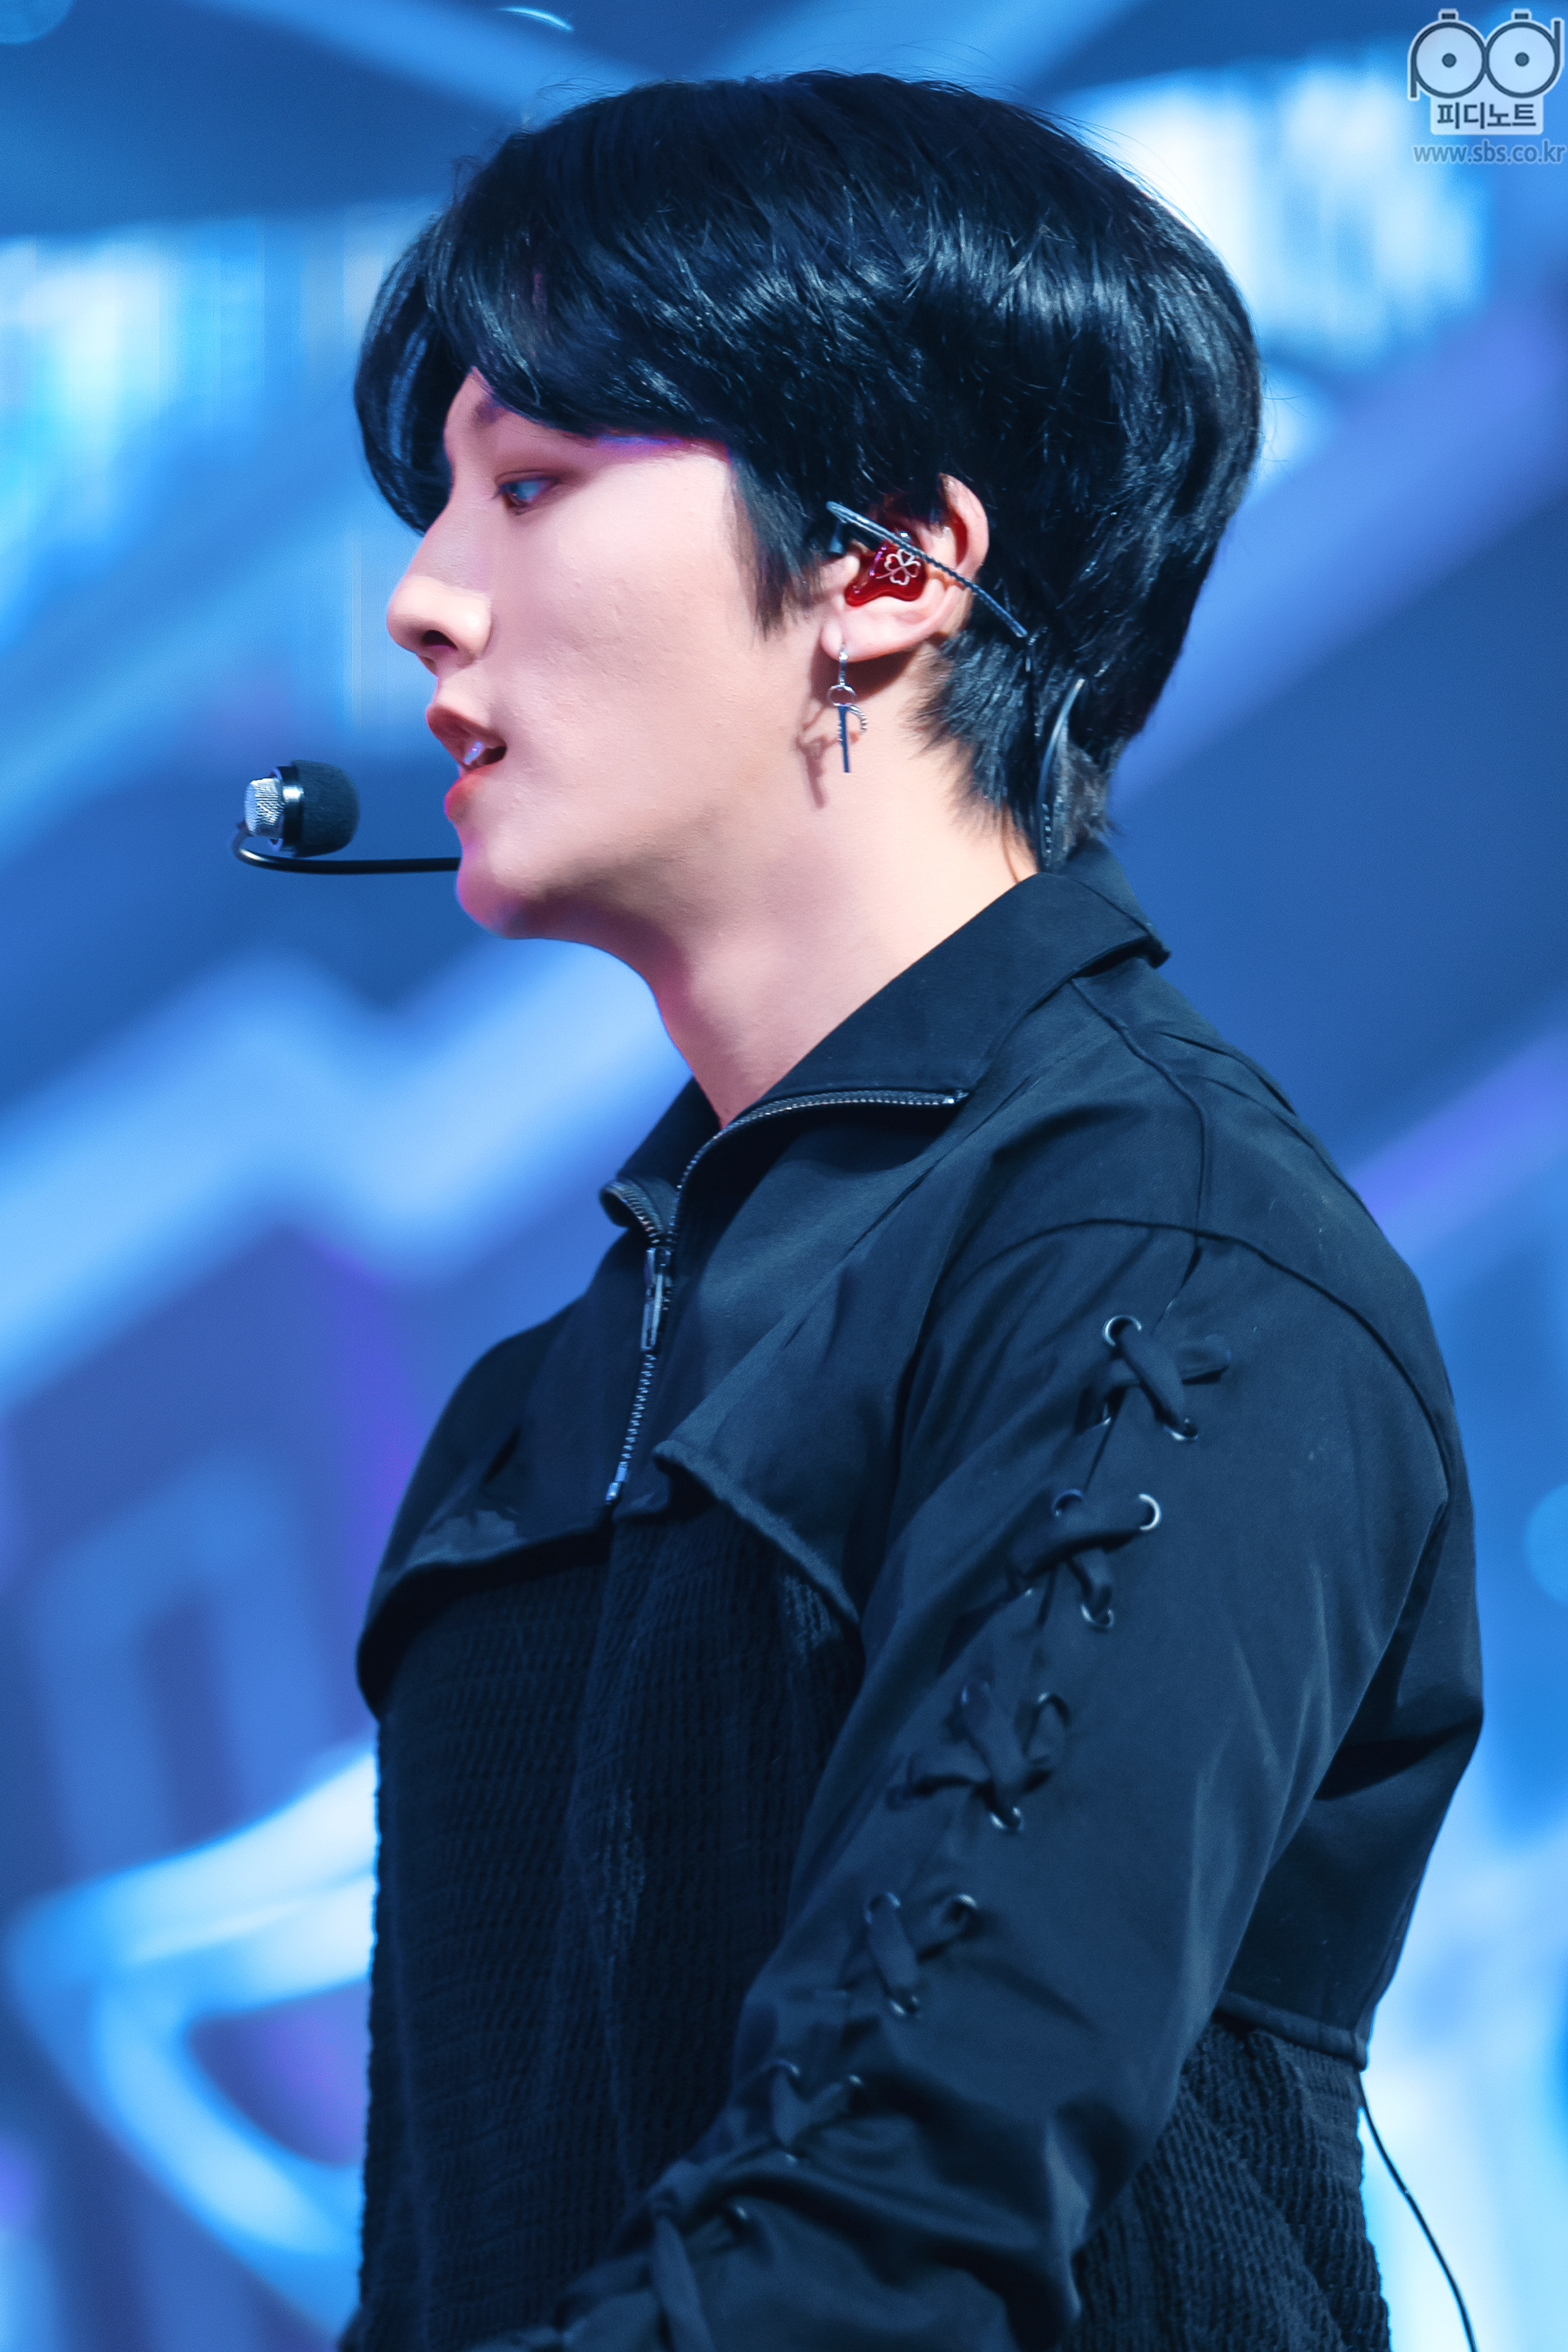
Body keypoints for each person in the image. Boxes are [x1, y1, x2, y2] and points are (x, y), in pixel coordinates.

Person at [345, 71, 1480, 2352]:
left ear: (884, 565)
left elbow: (881, 2234)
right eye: (444, 498)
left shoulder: (1169, 1273)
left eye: (532, 485)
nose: (422, 599)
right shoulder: (538, 1400)